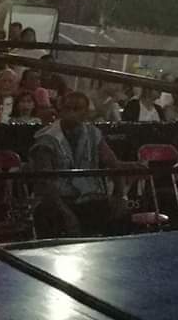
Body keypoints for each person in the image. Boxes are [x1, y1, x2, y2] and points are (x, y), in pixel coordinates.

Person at [29, 91, 137, 238]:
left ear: (86, 113)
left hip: (90, 198)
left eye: (76, 109)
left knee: (121, 214)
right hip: (58, 200)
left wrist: (119, 196)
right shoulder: (46, 139)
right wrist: (65, 212)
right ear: (60, 110)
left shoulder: (93, 134)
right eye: (67, 108)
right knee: (51, 216)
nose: (71, 113)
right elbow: (45, 183)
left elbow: (113, 164)